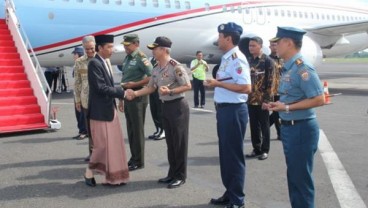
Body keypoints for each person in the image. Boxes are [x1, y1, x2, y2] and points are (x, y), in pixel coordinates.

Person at [267, 27, 325, 208]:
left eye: (278, 42)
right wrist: (279, 106)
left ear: (289, 43)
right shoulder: (288, 67)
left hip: (301, 128)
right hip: (290, 127)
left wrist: (286, 107)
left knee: (301, 180)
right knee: (294, 177)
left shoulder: (302, 68)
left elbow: (318, 99)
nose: (275, 46)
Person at [125, 36, 191, 189]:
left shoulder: (175, 66)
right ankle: (172, 173)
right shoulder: (156, 68)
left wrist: (171, 91)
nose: (153, 51)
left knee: (179, 143)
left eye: (155, 48)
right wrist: (134, 94)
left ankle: (180, 176)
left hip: (178, 106)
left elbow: (187, 85)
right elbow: (150, 87)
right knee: (170, 143)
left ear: (163, 49)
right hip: (166, 106)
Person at [205, 22, 251, 208]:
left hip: (233, 111)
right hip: (225, 110)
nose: (218, 39)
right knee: (225, 155)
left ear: (228, 38)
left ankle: (237, 200)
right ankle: (230, 192)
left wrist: (218, 84)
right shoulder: (227, 58)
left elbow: (246, 87)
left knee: (233, 155)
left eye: (220, 36)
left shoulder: (237, 58)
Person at [84, 34, 129, 186]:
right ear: (100, 48)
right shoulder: (94, 64)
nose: (112, 49)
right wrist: (122, 93)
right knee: (102, 146)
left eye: (112, 46)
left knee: (114, 145)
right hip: (100, 112)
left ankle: (115, 177)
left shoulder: (105, 61)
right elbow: (101, 87)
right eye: (109, 47)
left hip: (109, 110)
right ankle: (89, 173)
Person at [120, 34, 153, 171]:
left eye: (128, 45)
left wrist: (136, 84)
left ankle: (138, 161)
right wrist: (121, 99)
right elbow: (124, 78)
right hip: (128, 95)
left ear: (136, 43)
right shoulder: (128, 57)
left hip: (138, 96)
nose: (125, 47)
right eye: (125, 45)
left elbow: (152, 76)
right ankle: (133, 158)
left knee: (137, 130)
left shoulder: (141, 57)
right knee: (131, 129)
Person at [245, 36, 275, 161]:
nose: (250, 48)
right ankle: (256, 148)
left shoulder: (267, 61)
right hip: (250, 99)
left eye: (253, 46)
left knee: (264, 125)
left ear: (260, 46)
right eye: (250, 46)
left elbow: (271, 82)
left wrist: (267, 101)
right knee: (253, 126)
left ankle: (265, 150)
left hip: (263, 100)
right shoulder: (248, 60)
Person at [74, 37, 96, 161]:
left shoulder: (102, 59)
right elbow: (77, 82)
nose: (90, 51)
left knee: (100, 129)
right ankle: (92, 153)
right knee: (89, 129)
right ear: (83, 48)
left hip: (100, 101)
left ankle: (102, 154)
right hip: (86, 100)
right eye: (87, 49)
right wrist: (77, 100)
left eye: (92, 48)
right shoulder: (79, 62)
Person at [71, 46, 88, 141]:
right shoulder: (76, 64)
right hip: (77, 92)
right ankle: (81, 130)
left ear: (78, 54)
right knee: (78, 113)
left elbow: (83, 80)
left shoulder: (83, 64)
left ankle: (84, 132)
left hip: (82, 93)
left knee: (82, 113)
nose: (73, 56)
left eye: (74, 54)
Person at [147, 57, 165, 140]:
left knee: (160, 111)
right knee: (153, 110)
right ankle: (158, 129)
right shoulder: (150, 59)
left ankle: (163, 131)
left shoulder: (163, 60)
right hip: (152, 88)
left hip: (159, 89)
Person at [268, 40, 283, 140]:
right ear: (269, 47)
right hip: (271, 90)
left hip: (282, 89)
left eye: (276, 45)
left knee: (278, 112)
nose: (274, 47)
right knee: (276, 111)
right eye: (272, 45)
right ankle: (279, 132)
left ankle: (279, 132)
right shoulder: (267, 59)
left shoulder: (283, 59)